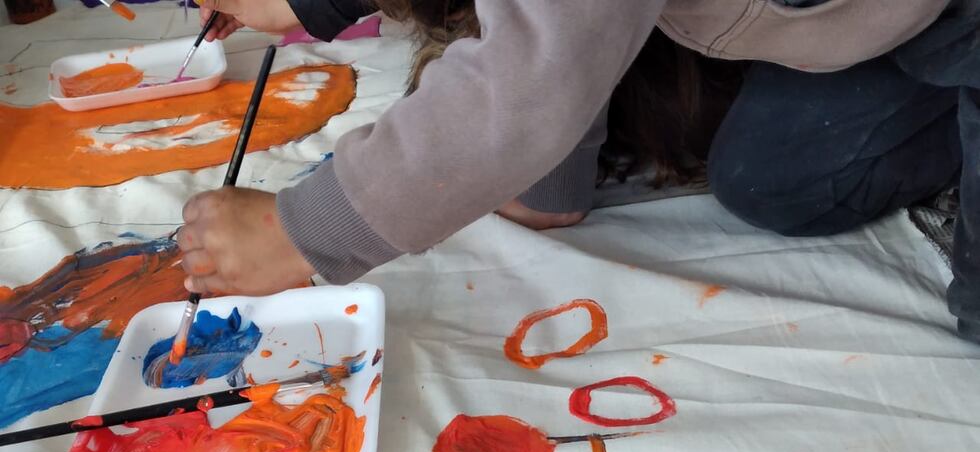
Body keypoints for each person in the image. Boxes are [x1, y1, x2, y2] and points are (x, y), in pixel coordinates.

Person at [178, 0, 980, 343]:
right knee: (781, 185)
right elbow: (563, 35)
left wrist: (301, 230)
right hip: (867, 25)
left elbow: (529, 81)